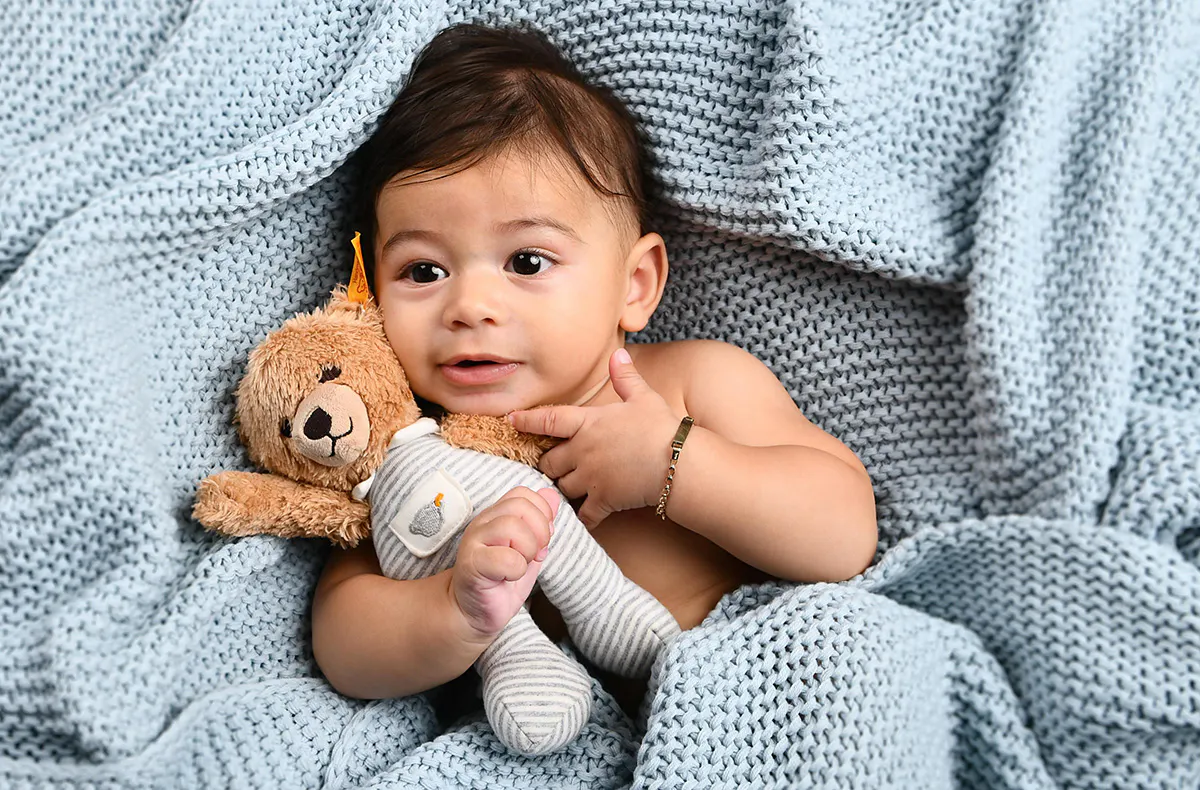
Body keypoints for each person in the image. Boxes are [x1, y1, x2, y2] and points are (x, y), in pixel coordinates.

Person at [311, 22, 878, 720]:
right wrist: (453, 608)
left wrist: (675, 463)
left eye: (526, 261)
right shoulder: (402, 455)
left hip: (745, 694)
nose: (469, 306)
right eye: (423, 271)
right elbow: (342, 644)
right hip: (552, 732)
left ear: (634, 284)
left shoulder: (690, 384)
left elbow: (845, 534)